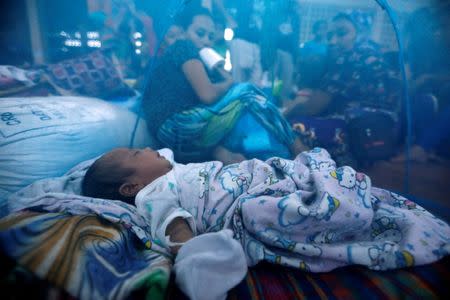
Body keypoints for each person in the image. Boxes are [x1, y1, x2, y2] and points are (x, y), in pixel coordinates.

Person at [82, 146, 450, 272]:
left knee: (318, 179)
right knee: (272, 210)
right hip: (245, 202)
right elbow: (174, 224)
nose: (147, 150)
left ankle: (345, 196)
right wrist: (189, 252)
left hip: (262, 176)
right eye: (136, 154)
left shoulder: (169, 166)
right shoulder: (154, 193)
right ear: (131, 187)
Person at [143, 5, 305, 165]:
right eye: (200, 33)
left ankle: (223, 154)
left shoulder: (190, 59)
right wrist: (227, 81)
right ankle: (296, 145)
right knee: (247, 91)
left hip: (169, 135)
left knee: (236, 106)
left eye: (211, 37)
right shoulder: (183, 46)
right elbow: (208, 96)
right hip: (176, 125)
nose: (206, 41)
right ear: (184, 33)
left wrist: (217, 67)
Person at [284, 12, 400, 166]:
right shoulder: (374, 53)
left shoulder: (350, 57)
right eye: (329, 36)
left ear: (359, 33)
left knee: (291, 127)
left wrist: (283, 115)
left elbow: (313, 107)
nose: (332, 41)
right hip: (389, 129)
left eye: (342, 33)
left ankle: (316, 170)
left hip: (358, 130)